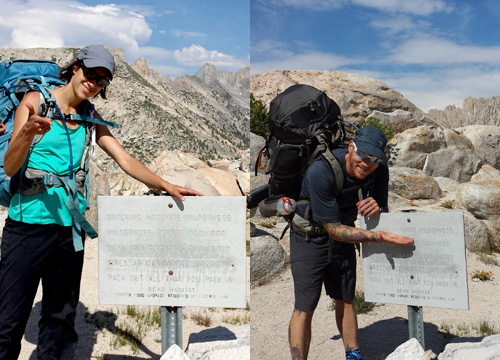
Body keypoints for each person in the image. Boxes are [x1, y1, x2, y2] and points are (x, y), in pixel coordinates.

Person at [0, 45, 202, 359]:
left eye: (102, 80)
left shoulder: (89, 116)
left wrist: (166, 184)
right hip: (26, 226)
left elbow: (124, 159)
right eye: (91, 73)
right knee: (8, 321)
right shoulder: (35, 102)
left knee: (58, 318)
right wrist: (27, 131)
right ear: (75, 67)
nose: (94, 82)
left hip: (70, 232)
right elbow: (10, 166)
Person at [288, 126, 414, 360]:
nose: (367, 163)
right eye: (362, 155)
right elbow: (333, 229)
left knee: (345, 299)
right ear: (350, 148)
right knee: (305, 307)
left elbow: (382, 210)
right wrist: (377, 236)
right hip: (309, 237)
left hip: (345, 233)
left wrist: (376, 205)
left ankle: (353, 356)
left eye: (374, 158)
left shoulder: (379, 170)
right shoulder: (321, 171)